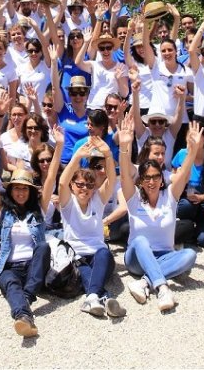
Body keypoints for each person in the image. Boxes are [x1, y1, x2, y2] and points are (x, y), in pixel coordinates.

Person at [117, 112, 202, 312]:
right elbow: (124, 177)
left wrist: (193, 149)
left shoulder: (170, 197)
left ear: (162, 179)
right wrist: (123, 147)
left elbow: (184, 173)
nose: (152, 181)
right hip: (137, 258)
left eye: (156, 177)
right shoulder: (134, 197)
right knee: (140, 240)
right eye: (147, 177)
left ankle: (145, 282)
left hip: (165, 255)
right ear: (142, 179)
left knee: (189, 255)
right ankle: (162, 287)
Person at [0, 132, 49, 338]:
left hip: (33, 266)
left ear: (31, 192)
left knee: (43, 247)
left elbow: (51, 178)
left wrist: (59, 146)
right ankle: (23, 317)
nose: (20, 192)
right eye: (16, 188)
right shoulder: (3, 210)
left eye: (25, 189)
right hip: (9, 266)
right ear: (10, 191)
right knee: (10, 283)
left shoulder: (39, 209)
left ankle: (27, 297)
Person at [58, 135, 126, 318]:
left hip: (99, 255)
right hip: (76, 257)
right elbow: (62, 182)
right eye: (79, 184)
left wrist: (108, 154)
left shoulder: (97, 200)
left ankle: (92, 298)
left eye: (89, 185)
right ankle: (102, 297)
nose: (84, 188)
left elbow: (111, 179)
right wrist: (76, 158)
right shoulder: (68, 203)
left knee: (104, 252)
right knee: (86, 270)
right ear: (73, 186)